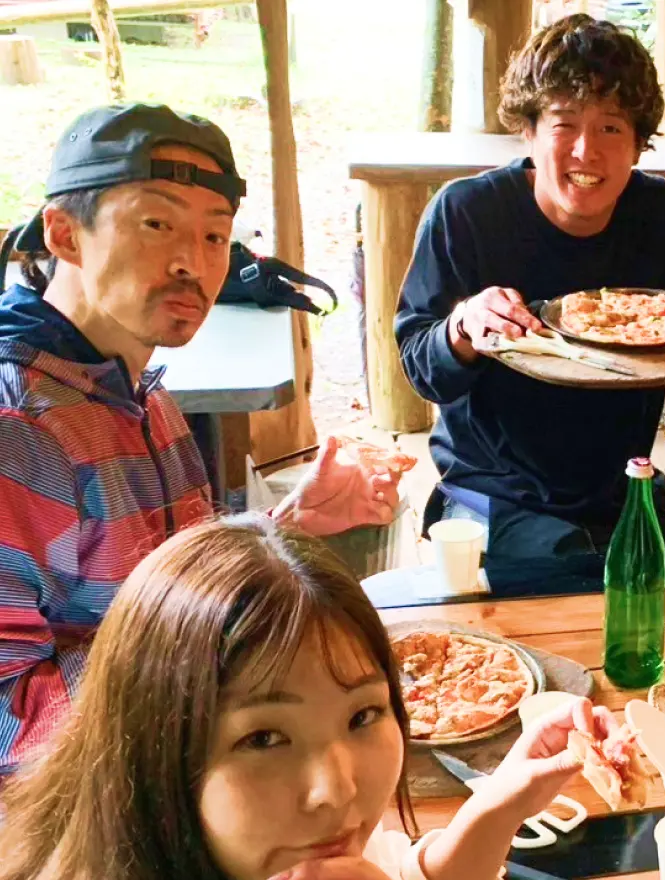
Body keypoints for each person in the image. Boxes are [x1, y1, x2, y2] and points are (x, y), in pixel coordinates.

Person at [0, 515, 601, 880]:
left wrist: (499, 805)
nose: (336, 788)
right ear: (154, 752)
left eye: (362, 715)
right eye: (264, 738)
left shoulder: (246, 863)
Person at [0, 103, 402, 773]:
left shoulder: (137, 389)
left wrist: (285, 527)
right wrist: (210, 657)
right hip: (88, 808)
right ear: (65, 235)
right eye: (156, 224)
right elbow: (8, 717)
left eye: (215, 236)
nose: (192, 262)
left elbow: (168, 583)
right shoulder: (21, 429)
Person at [396, 15, 665, 560]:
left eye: (610, 128)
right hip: (496, 491)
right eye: (564, 124)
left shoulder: (662, 215)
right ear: (529, 131)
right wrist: (463, 327)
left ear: (637, 145)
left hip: (620, 484)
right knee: (568, 580)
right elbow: (421, 364)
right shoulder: (466, 214)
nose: (586, 151)